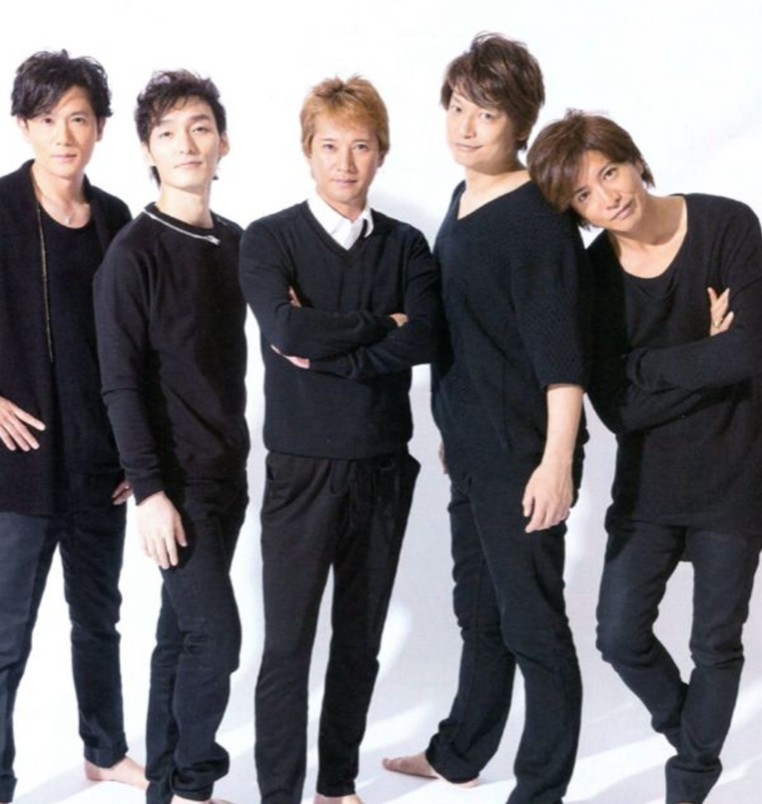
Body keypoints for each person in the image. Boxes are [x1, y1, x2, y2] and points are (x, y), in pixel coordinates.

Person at [528, 110, 762, 804]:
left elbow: (750, 352)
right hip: (649, 485)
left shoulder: (727, 224)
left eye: (610, 172)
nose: (608, 197)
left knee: (715, 645)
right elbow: (618, 411)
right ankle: (692, 732)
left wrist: (644, 367)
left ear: (633, 161)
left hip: (736, 476)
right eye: (585, 194)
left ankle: (688, 783)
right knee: (618, 634)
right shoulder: (594, 276)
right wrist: (705, 355)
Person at [382, 34, 590, 804]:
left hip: (524, 455)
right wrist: (452, 426)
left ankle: (540, 790)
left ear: (521, 123)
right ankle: (460, 754)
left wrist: (556, 463)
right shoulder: (464, 197)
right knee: (478, 612)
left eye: (488, 113)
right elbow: (474, 333)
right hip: (472, 448)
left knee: (534, 627)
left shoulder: (536, 218)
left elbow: (562, 358)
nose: (467, 127)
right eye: (458, 107)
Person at [240, 75, 440, 804]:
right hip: (302, 470)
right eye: (330, 146)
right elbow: (284, 329)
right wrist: (380, 325)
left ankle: (336, 785)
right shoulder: (269, 239)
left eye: (360, 146)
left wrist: (337, 351)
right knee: (288, 645)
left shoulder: (407, 245)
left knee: (360, 642)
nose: (345, 162)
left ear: (381, 152)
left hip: (383, 467)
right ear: (308, 151)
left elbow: (426, 337)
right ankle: (280, 794)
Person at [0, 50, 146, 804]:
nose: (63, 135)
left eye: (78, 118)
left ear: (100, 127)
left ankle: (104, 753)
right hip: (21, 464)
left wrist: (137, 453)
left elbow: (138, 344)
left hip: (100, 464)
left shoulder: (114, 218)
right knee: (4, 633)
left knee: (99, 620)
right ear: (23, 126)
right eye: (47, 119)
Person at [93, 70, 249, 804]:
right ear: (147, 150)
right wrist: (150, 491)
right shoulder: (133, 255)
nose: (185, 144)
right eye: (166, 132)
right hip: (175, 487)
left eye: (199, 128)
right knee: (216, 639)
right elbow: (119, 383)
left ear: (223, 143)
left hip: (230, 472)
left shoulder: (239, 243)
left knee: (181, 637)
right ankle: (193, 783)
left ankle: (164, 783)